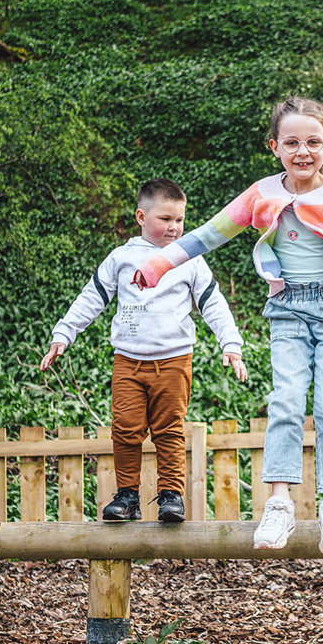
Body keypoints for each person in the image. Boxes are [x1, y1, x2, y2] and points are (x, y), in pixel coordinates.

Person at [134, 96, 323, 556]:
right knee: (285, 401)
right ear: (275, 146)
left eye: (313, 141)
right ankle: (280, 502)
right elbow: (208, 234)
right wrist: (159, 265)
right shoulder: (262, 194)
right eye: (292, 142)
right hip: (287, 309)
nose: (303, 151)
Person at [40, 178, 247, 523]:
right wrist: (63, 334)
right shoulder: (122, 257)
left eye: (179, 219)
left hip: (174, 361)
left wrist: (231, 343)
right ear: (141, 216)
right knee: (125, 427)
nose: (174, 227)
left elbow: (213, 303)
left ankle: (171, 496)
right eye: (165, 219)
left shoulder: (189, 258)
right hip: (129, 361)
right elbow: (92, 298)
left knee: (169, 429)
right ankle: (127, 497)